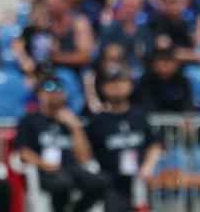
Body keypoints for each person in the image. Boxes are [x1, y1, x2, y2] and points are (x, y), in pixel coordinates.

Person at [14, 75, 106, 212]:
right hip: (45, 171)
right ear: (39, 94)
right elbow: (24, 152)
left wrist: (75, 127)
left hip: (72, 169)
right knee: (62, 183)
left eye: (59, 90)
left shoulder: (71, 120)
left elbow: (84, 158)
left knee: (100, 182)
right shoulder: (30, 120)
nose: (55, 94)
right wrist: (43, 164)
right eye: (49, 90)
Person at [85, 66, 162, 212]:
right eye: (111, 83)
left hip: (140, 181)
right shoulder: (97, 121)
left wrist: (148, 166)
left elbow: (155, 143)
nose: (116, 87)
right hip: (112, 183)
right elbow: (86, 153)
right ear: (103, 88)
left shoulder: (140, 116)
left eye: (121, 82)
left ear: (130, 86)